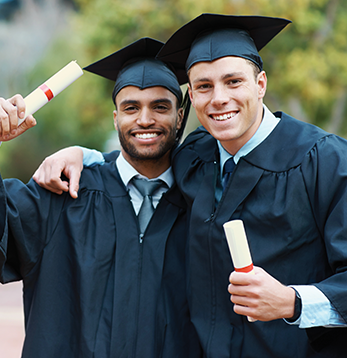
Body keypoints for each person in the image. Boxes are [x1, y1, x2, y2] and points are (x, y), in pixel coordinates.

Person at [33, 14, 347, 358]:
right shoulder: (194, 157)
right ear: (192, 95)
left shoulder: (324, 160)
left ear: (260, 83)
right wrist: (82, 154)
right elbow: (143, 155)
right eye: (204, 86)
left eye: (233, 81)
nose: (218, 98)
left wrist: (292, 302)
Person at [0, 37, 202, 358]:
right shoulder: (62, 193)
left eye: (160, 107)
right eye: (131, 108)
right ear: (115, 118)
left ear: (180, 117)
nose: (145, 119)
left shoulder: (204, 203)